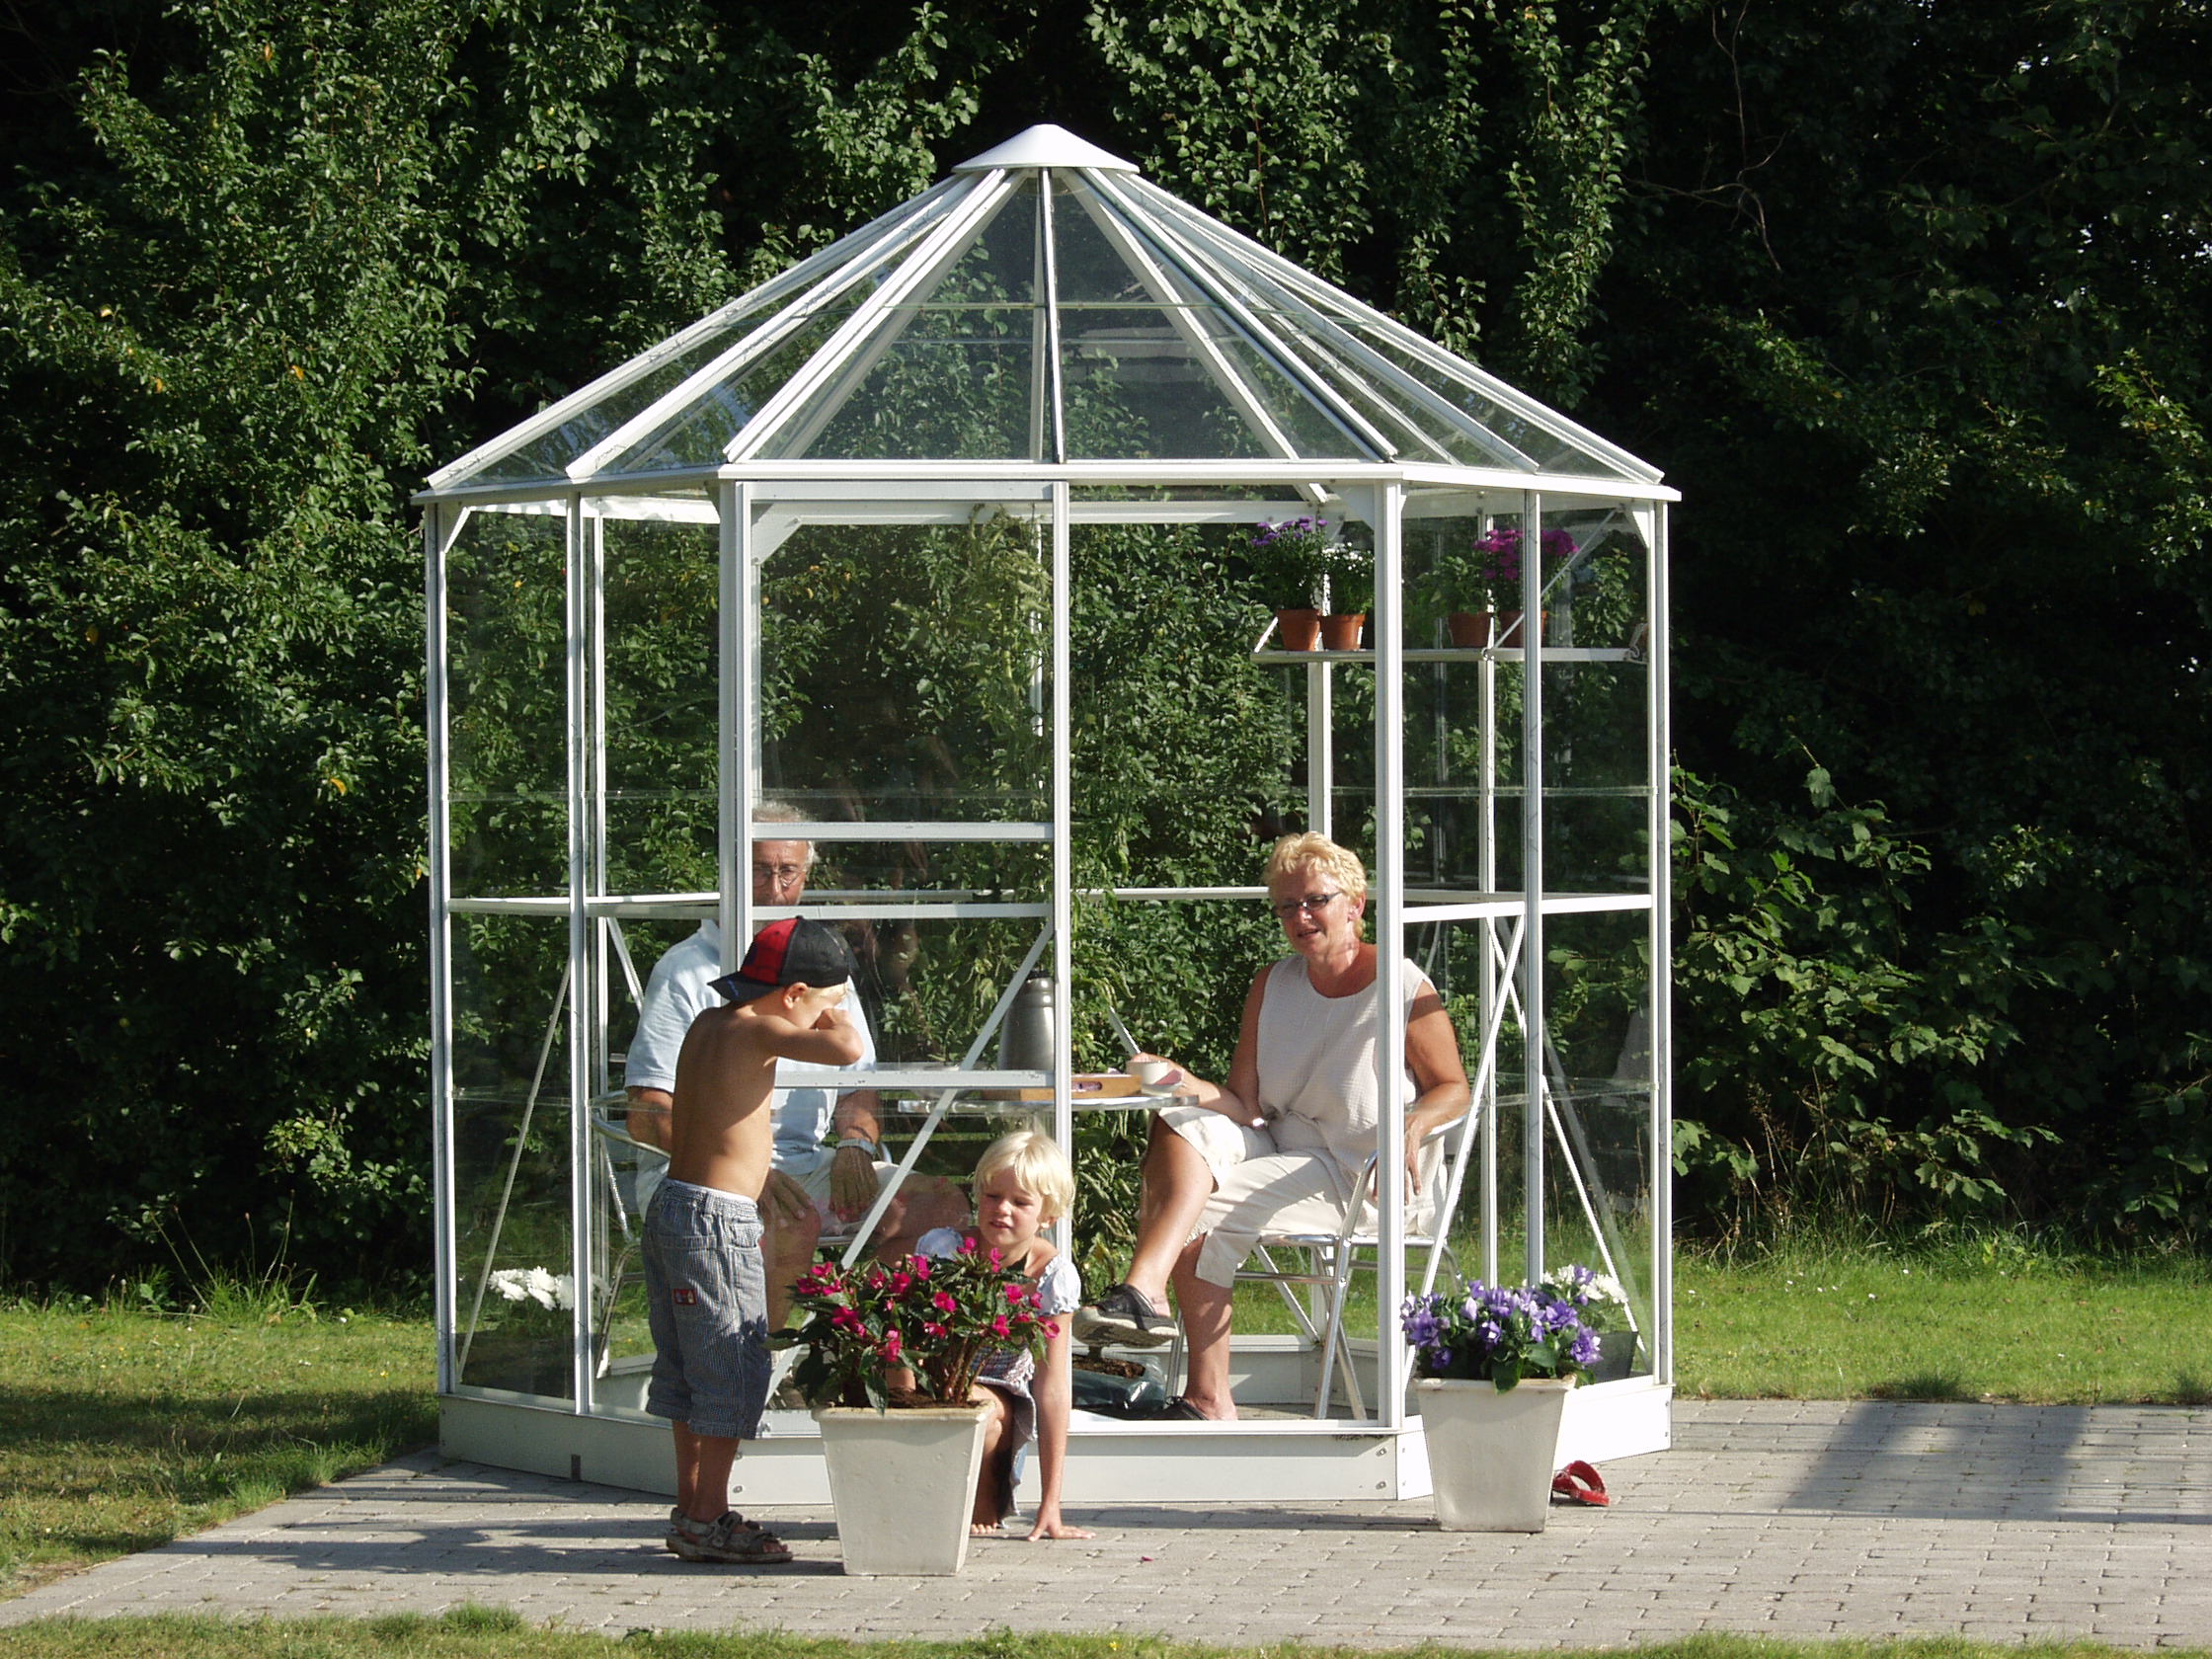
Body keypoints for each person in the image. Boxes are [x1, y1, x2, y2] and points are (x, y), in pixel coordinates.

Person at [1073, 832, 1470, 1421]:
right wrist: (1181, 1081)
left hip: (1361, 1174)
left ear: (1355, 904)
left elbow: (1455, 1087)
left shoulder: (1402, 984)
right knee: (1178, 1124)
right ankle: (1147, 1295)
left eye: (1315, 901)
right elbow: (1245, 1102)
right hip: (1280, 1147)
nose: (1300, 917)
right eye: (1287, 906)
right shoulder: (1273, 983)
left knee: (1198, 1209)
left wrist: (1412, 1124)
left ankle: (1203, 1389)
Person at [624, 803, 965, 1323]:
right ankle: (764, 1358)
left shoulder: (819, 961)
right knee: (788, 1223)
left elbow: (858, 1082)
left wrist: (855, 1144)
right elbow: (647, 1113)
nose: (775, 888)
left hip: (807, 1166)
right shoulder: (687, 969)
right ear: (731, 871)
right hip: (700, 1176)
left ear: (807, 876)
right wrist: (742, 1171)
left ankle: (854, 1341)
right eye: (761, 870)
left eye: (789, 872)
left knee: (939, 1206)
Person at [646, 916, 862, 1564]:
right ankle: (709, 1518)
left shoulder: (710, 1022)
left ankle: (692, 1508)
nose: (828, 1013)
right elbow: (849, 1049)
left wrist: (821, 999)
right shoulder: (760, 1029)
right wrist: (833, 1010)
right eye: (822, 1001)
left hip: (674, 1207)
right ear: (794, 994)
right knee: (733, 1365)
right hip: (717, 1221)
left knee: (687, 1368)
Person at [909, 1128, 1093, 1540]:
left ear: (1048, 1216)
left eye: (1021, 1202)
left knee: (978, 1408)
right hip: (936, 1379)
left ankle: (986, 1491)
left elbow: (1052, 1385)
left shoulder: (1049, 1275)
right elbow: (912, 1336)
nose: (1002, 1210)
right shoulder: (944, 1251)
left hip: (998, 1394)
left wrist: (1051, 1502)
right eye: (993, 1196)